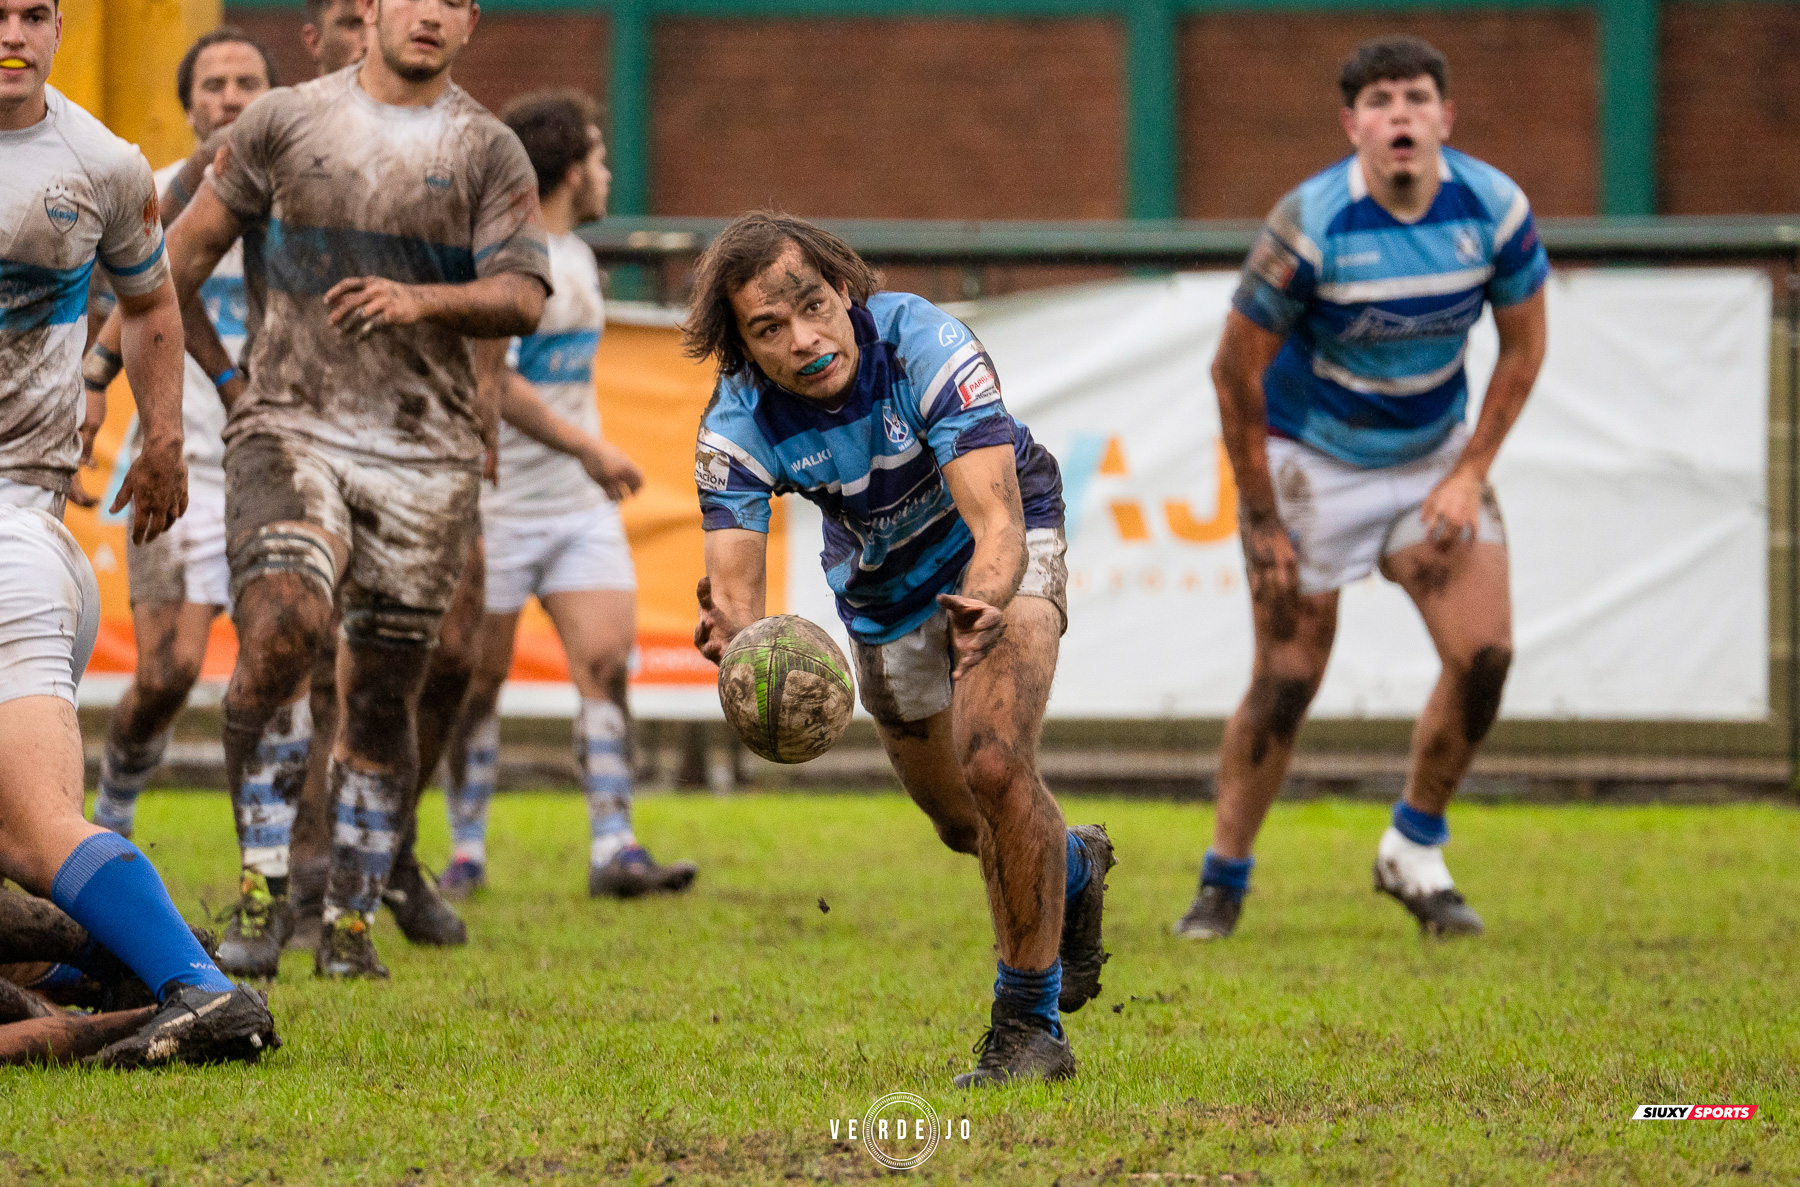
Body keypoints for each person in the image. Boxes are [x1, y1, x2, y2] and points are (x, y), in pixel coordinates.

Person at [164, 0, 551, 979]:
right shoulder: (283, 121)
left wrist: (421, 298)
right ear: (370, 13)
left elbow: (522, 295)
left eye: (452, 1)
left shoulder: (488, 147)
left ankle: (351, 919)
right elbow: (172, 263)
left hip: (427, 453)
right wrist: (217, 384)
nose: (428, 14)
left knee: (382, 701)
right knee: (284, 627)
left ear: (470, 23)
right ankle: (260, 892)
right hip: (289, 429)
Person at [686, 212, 1113, 1088]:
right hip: (879, 591)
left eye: (812, 305)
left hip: (996, 551)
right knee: (965, 824)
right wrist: (733, 643)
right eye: (769, 327)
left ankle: (1027, 1028)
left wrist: (988, 600)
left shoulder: (924, 344)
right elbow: (736, 598)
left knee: (994, 765)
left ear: (844, 288)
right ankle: (1072, 859)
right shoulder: (735, 423)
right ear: (741, 345)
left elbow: (996, 524)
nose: (803, 339)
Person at [1175, 36, 1548, 942]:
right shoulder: (1309, 224)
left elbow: (1525, 349)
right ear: (1353, 126)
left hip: (1429, 459)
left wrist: (1468, 474)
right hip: (1313, 462)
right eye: (1379, 102)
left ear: (1445, 117)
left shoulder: (1494, 210)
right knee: (1289, 678)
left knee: (1487, 656)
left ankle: (1413, 847)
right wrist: (1262, 518)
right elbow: (1234, 375)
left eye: (1417, 98)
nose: (1401, 116)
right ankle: (1223, 879)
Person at [0, 0, 277, 1064]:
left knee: (32, 832)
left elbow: (154, 302)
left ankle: (191, 983)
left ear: (62, 27)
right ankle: (112, 965)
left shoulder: (101, 162)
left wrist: (163, 439)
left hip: (18, 537)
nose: (14, 32)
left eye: (34, 13)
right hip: (38, 554)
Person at [438, 90, 697, 901]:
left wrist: (585, 456)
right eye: (597, 154)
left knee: (606, 664)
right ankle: (465, 850)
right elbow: (499, 384)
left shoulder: (578, 256)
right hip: (498, 504)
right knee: (476, 680)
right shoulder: (506, 258)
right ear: (568, 169)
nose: (607, 171)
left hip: (576, 511)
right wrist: (589, 445)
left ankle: (615, 845)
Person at [85, 27, 277, 840]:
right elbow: (121, 310)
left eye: (247, 82)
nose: (231, 98)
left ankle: (271, 867)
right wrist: (226, 379)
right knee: (168, 672)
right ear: (189, 102)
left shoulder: (299, 193)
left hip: (279, 466)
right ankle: (114, 811)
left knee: (283, 664)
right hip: (182, 456)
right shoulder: (153, 191)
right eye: (214, 84)